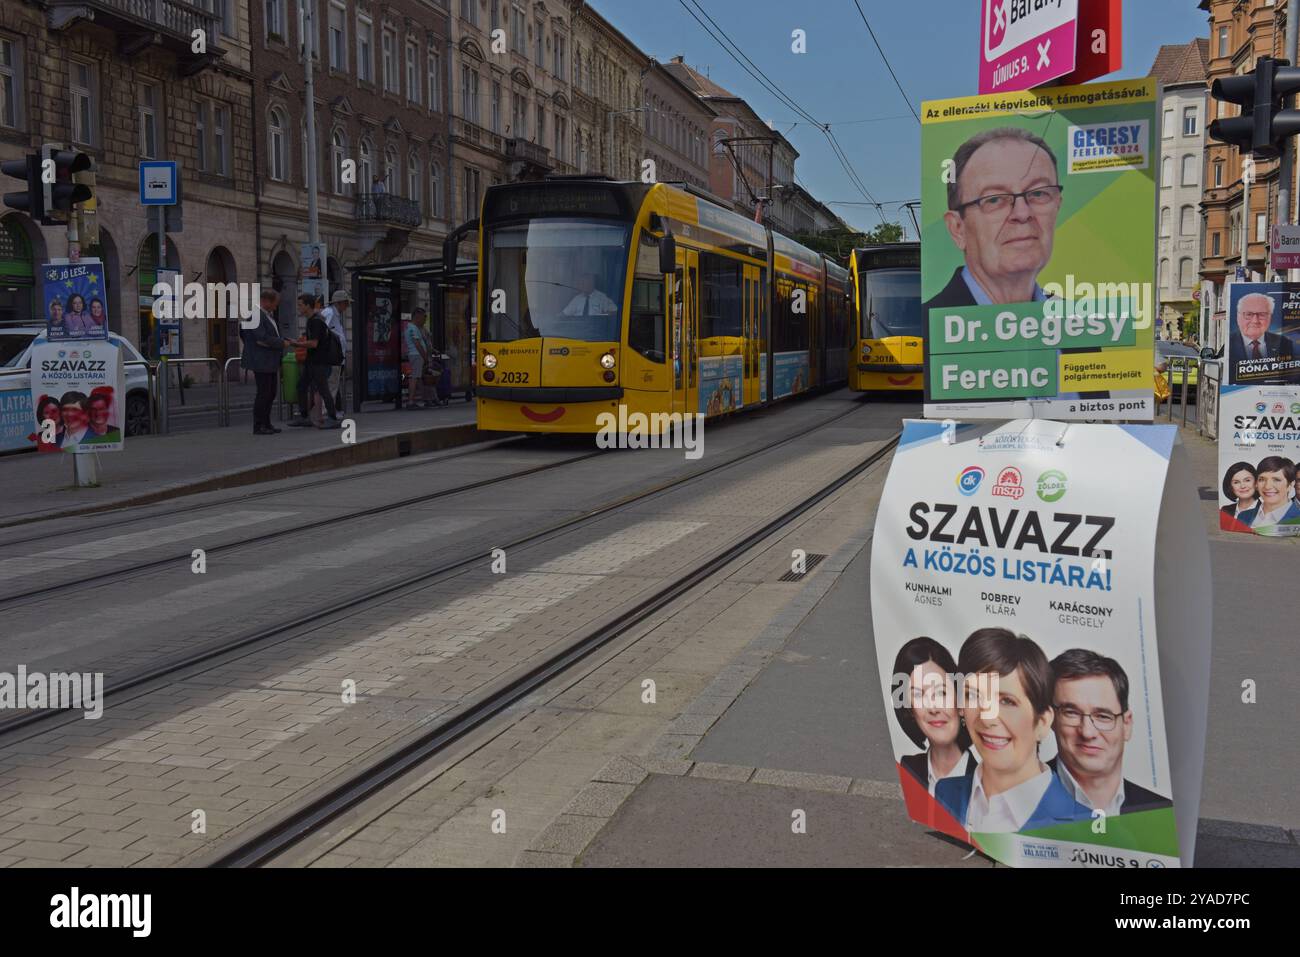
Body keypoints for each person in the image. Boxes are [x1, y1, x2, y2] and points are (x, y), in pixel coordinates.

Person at [934, 628, 1090, 834]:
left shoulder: (1082, 824)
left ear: (1043, 722)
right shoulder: (944, 793)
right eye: (974, 695)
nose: (987, 717)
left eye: (1007, 701)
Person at [924, 127, 1063, 311]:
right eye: (994, 199)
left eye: (1038, 193)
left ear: (1057, 206)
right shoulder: (930, 332)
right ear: (957, 228)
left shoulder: (1077, 328)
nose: (1022, 214)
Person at [1048, 649, 1172, 818]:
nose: (1087, 732)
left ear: (1126, 725)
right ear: (1049, 718)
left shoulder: (1160, 813)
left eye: (1103, 716)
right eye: (1071, 713)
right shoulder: (1011, 799)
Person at [891, 637, 972, 796]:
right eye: (918, 695)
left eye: (941, 692)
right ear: (909, 709)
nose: (933, 707)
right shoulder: (909, 767)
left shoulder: (987, 780)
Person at [287, 293, 339, 428]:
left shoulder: (316, 321)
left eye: (300, 305)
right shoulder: (311, 320)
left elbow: (314, 343)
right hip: (311, 360)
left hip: (318, 361)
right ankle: (304, 416)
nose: (298, 307)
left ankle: (332, 418)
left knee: (323, 389)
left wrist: (297, 344)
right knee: (301, 386)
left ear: (308, 306)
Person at [241, 287, 285, 435]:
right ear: (266, 301)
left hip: (270, 360)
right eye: (275, 303)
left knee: (271, 393)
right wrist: (281, 343)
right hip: (262, 360)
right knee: (264, 393)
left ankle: (267, 423)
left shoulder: (267, 315)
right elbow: (260, 338)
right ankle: (259, 425)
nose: (276, 306)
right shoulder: (256, 315)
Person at [1228, 293, 1295, 371]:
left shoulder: (1284, 343)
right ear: (1238, 317)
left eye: (1262, 314)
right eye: (1248, 314)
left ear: (1270, 318)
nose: (1255, 321)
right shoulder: (1229, 343)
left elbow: (1288, 375)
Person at [321, 290, 351, 415]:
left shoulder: (335, 314)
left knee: (334, 385)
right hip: (332, 357)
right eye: (346, 303)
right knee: (331, 385)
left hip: (337, 356)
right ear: (340, 303)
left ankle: (332, 410)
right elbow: (322, 329)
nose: (347, 306)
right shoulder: (329, 312)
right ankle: (328, 412)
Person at [1251, 456, 1300, 528]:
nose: (1267, 486)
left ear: (1290, 485)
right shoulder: (1244, 515)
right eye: (1262, 479)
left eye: (1276, 480)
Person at [403, 307, 432, 408]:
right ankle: (411, 401)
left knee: (419, 378)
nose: (425, 320)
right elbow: (417, 344)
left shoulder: (411, 327)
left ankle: (426, 398)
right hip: (417, 355)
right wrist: (425, 357)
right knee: (415, 377)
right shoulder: (413, 328)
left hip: (416, 355)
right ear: (417, 317)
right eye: (424, 317)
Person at [1220, 461, 1261, 529]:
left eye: (1247, 480)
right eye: (1236, 482)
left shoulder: (1266, 511)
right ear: (1230, 487)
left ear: (1256, 482)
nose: (1242, 486)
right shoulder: (1225, 510)